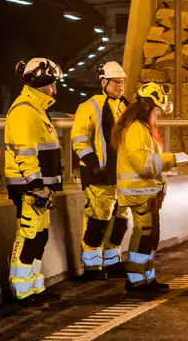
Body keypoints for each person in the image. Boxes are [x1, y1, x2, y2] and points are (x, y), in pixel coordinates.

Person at [5, 58, 65, 305]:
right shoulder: (24, 111)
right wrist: (37, 185)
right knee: (29, 236)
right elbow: (25, 153)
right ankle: (21, 290)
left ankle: (34, 287)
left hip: (40, 188)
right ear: (39, 83)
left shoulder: (37, 109)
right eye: (51, 84)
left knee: (39, 237)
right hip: (30, 188)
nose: (54, 90)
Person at [112, 82, 176, 294]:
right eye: (157, 109)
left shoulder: (140, 128)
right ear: (149, 107)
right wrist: (171, 160)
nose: (157, 114)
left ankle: (147, 278)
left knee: (151, 237)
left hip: (146, 192)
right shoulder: (136, 130)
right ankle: (136, 281)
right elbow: (144, 164)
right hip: (139, 193)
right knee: (143, 236)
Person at [72, 61, 130, 281]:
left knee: (120, 219)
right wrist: (93, 163)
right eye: (116, 81)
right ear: (103, 82)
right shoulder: (89, 106)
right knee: (98, 219)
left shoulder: (125, 106)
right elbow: (79, 139)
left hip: (122, 175)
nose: (120, 85)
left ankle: (113, 260)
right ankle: (92, 266)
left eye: (122, 81)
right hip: (99, 174)